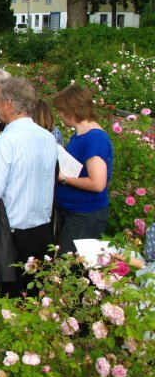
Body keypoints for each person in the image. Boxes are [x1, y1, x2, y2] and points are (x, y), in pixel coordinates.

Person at [0, 77, 58, 296]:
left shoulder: (6, 141)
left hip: (11, 237)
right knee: (34, 300)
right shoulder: (47, 138)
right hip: (43, 234)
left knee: (8, 302)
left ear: (9, 103)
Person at [53, 85, 114, 254]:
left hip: (84, 214)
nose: (59, 115)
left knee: (69, 268)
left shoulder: (94, 137)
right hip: (73, 211)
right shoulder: (79, 134)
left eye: (61, 110)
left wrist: (63, 178)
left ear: (71, 110)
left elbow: (97, 183)